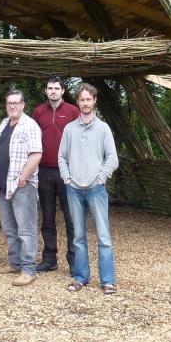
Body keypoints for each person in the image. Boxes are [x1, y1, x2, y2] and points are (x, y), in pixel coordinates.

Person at [58, 82, 120, 295]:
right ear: (78, 102)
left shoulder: (103, 128)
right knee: (78, 236)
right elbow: (62, 157)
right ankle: (81, 278)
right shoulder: (69, 129)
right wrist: (66, 177)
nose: (85, 103)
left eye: (89, 99)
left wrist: (102, 177)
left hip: (96, 188)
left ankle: (108, 281)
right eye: (82, 99)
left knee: (103, 236)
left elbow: (112, 158)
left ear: (94, 101)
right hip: (73, 188)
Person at [0, 89, 43, 286]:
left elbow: (36, 154)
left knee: (26, 229)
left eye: (16, 103)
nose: (12, 106)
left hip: (22, 186)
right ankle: (14, 263)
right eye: (9, 103)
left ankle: (29, 269)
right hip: (4, 185)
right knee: (10, 228)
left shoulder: (30, 125)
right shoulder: (5, 123)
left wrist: (23, 177)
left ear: (23, 105)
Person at [31, 75, 80, 273]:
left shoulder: (72, 111)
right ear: (46, 91)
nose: (53, 91)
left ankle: (74, 260)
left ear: (63, 91)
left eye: (56, 88)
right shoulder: (38, 112)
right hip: (44, 170)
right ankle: (50, 259)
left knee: (71, 218)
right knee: (48, 217)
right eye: (50, 88)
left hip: (67, 171)